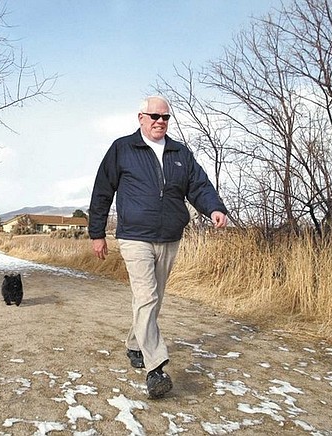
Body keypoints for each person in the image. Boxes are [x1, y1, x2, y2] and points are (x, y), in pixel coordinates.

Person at [88, 95, 228, 399]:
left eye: (165, 117)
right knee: (147, 295)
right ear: (140, 117)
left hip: (169, 236)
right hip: (134, 236)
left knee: (152, 299)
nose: (159, 122)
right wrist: (97, 233)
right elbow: (102, 192)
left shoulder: (180, 152)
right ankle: (156, 368)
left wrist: (214, 208)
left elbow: (199, 186)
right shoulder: (122, 149)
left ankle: (134, 343)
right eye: (154, 116)